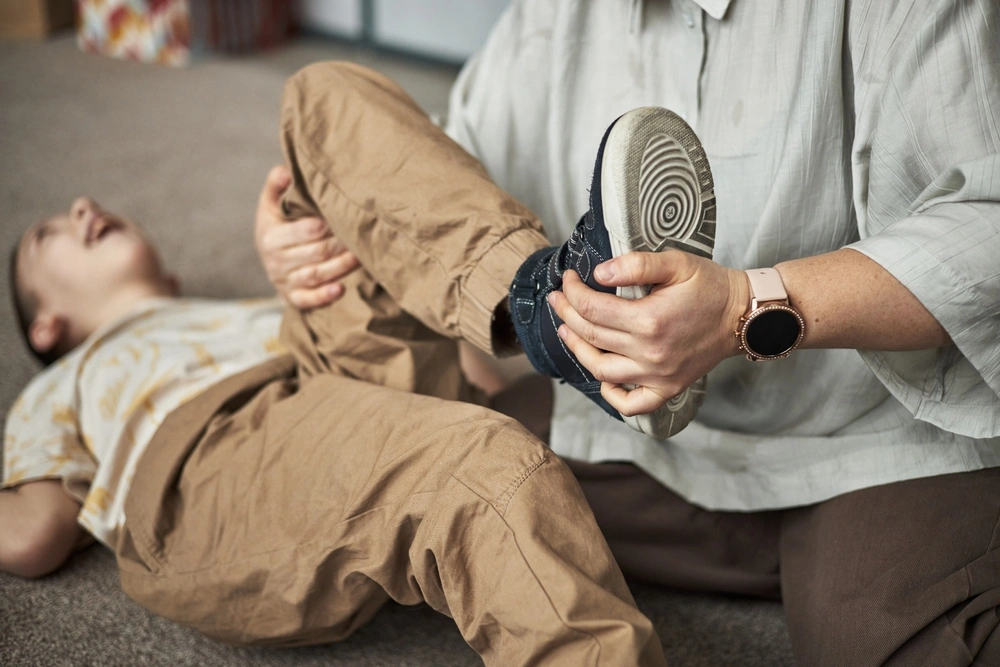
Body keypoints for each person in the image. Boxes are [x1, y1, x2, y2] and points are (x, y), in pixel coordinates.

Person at [260, 1, 1000, 665]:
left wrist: (746, 305)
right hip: (638, 430)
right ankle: (538, 314)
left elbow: (986, 223)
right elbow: (442, 193)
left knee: (872, 635)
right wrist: (310, 233)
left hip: (877, 438)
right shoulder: (548, 17)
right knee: (440, 478)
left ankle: (867, 551)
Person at [0, 60, 735, 666]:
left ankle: (544, 308)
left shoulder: (228, 309)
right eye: (48, 235)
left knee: (320, 97)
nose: (82, 204)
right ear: (46, 323)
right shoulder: (62, 383)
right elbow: (31, 533)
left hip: (310, 375)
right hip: (213, 465)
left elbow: (436, 355)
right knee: (482, 466)